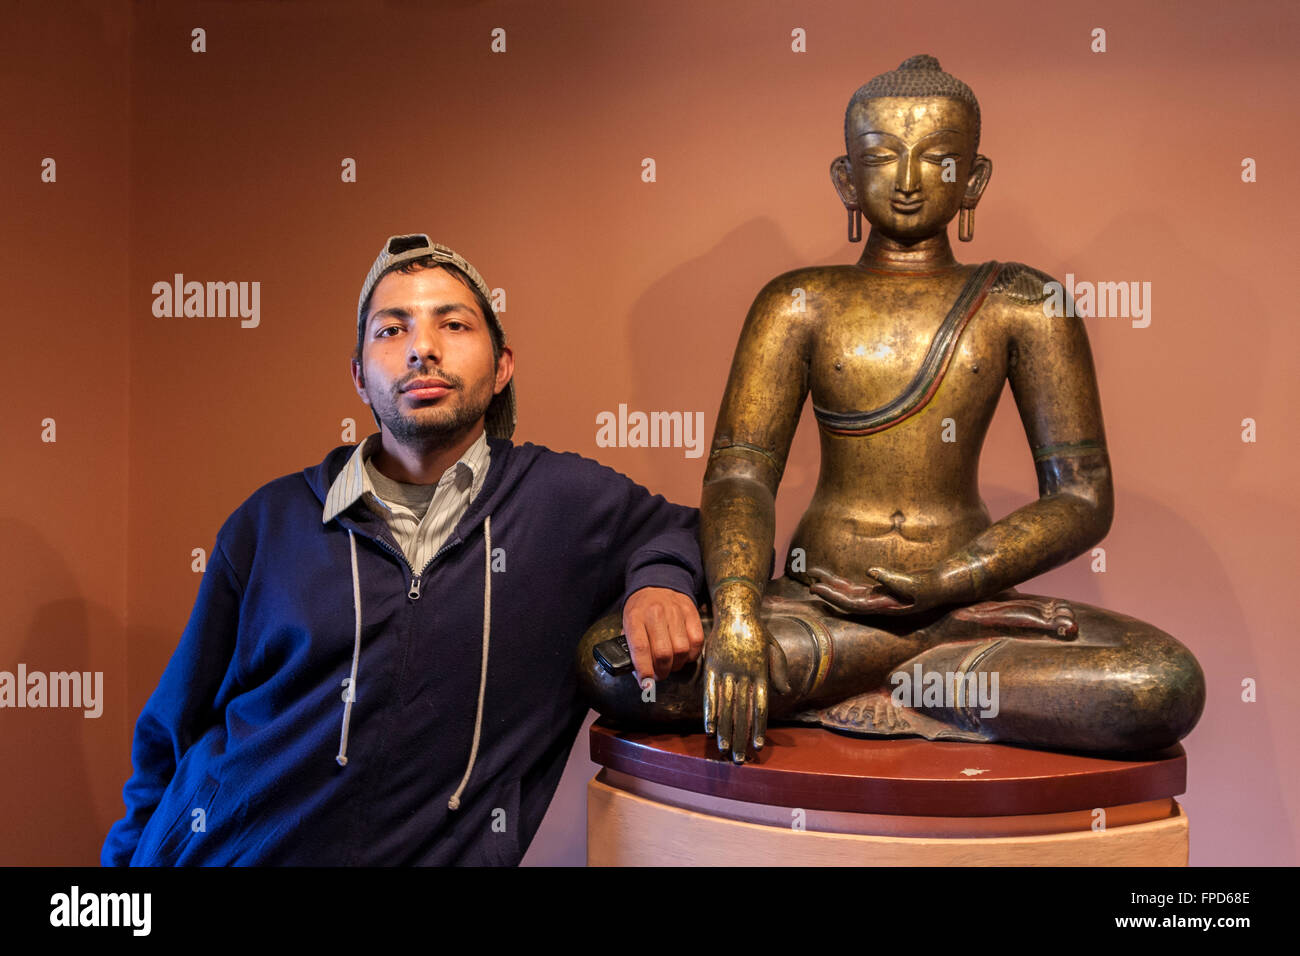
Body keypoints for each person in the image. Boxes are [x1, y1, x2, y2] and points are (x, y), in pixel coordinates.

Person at [579, 55, 1204, 763]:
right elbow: (740, 476)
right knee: (614, 669)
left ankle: (889, 668)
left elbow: (1084, 496)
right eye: (882, 157)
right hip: (815, 606)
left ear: (974, 178)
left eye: (937, 159)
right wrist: (743, 618)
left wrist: (951, 581)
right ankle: (921, 677)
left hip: (964, 610)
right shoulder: (798, 301)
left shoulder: (1025, 303)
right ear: (846, 178)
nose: (908, 181)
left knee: (1161, 683)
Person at [103, 234, 706, 865]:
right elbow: (169, 733)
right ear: (361, 378)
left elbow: (700, 531)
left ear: (502, 366)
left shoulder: (566, 505)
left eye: (454, 323)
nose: (423, 347)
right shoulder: (269, 523)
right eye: (392, 330)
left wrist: (659, 580)